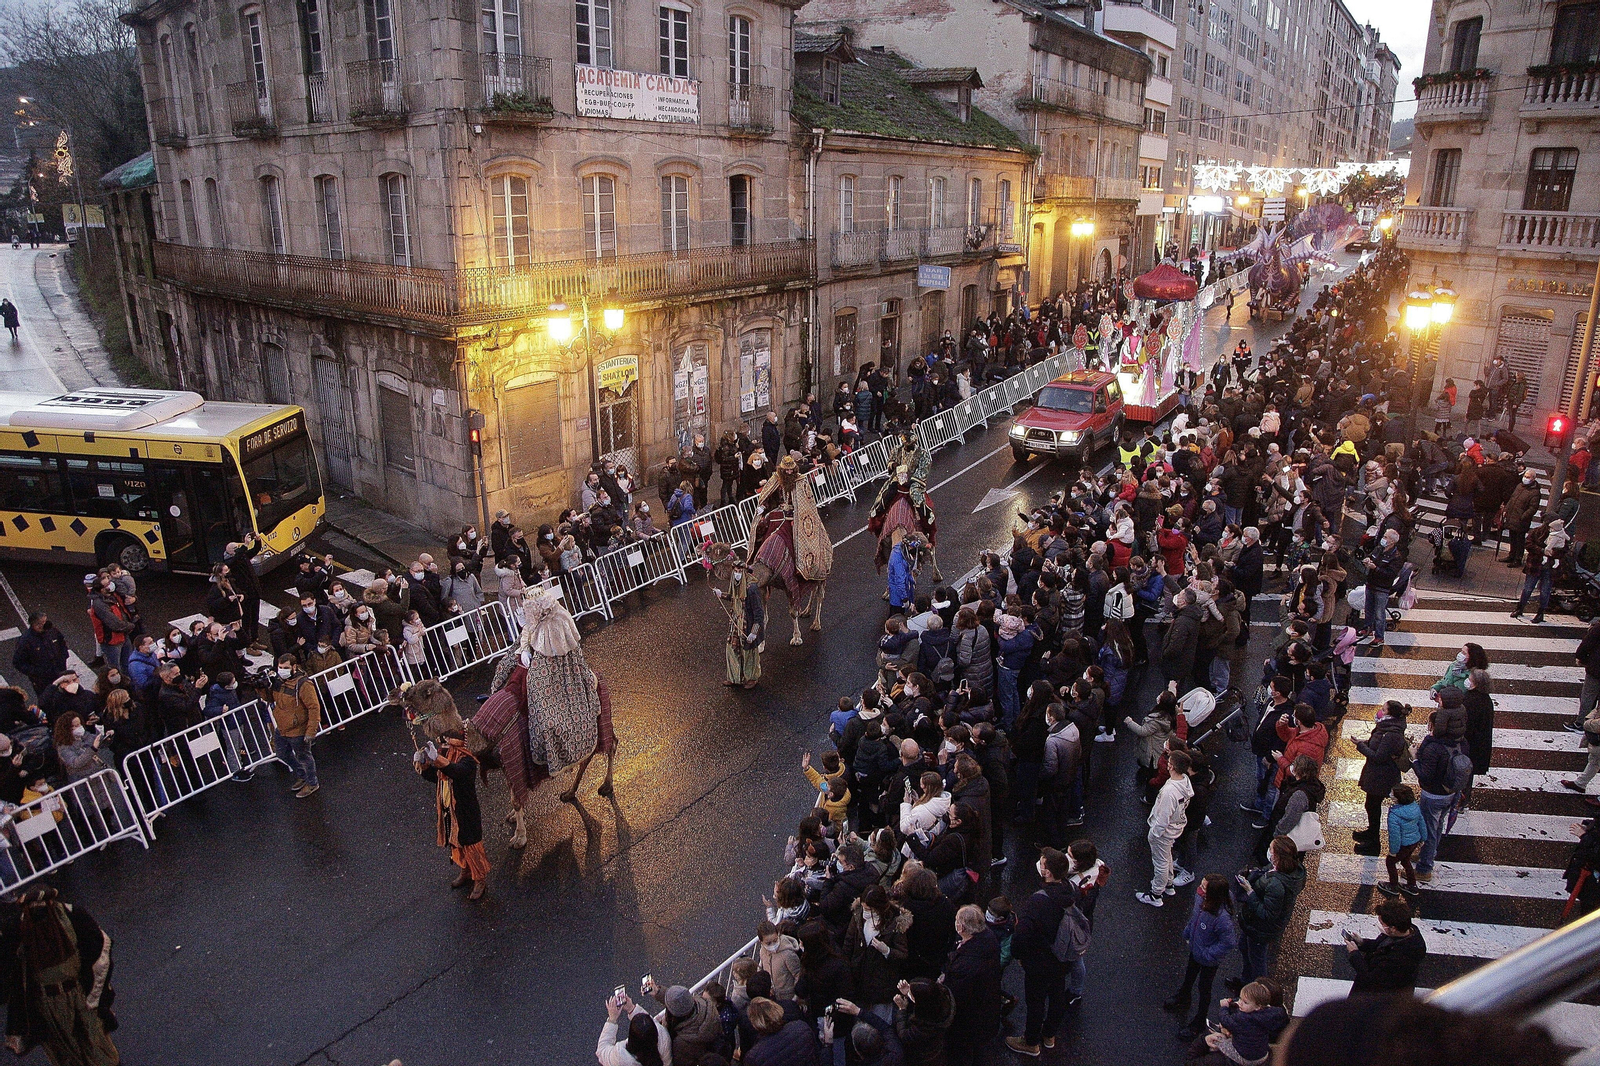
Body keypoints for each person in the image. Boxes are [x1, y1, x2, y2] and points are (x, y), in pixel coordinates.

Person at [0, 888, 119, 1065]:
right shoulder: (19, 928)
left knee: (97, 1047)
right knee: (64, 1053)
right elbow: (7, 967)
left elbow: (100, 953)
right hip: (46, 1004)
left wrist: (94, 997)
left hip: (79, 996)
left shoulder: (72, 916)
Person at [412, 693, 489, 900]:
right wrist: (424, 765)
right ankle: (465, 870)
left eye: (449, 738)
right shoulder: (446, 753)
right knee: (456, 842)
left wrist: (438, 760)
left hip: (465, 810)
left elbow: (455, 772)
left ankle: (479, 877)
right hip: (450, 809)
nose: (445, 740)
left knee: (471, 842)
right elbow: (438, 778)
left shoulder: (468, 759)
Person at [1006, 847, 1076, 1057]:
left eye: (1042, 863)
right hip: (1062, 956)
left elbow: (1022, 935)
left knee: (1035, 1001)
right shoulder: (1071, 889)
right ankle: (1049, 1035)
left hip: (1040, 961)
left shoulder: (1038, 900)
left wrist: (1018, 955)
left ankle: (1030, 1041)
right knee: (1057, 994)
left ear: (1048, 872)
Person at [1165, 874, 1239, 1040]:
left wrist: (1207, 954)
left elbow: (1228, 942)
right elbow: (1195, 917)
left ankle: (1199, 1023)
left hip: (1208, 959)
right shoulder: (1202, 899)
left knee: (1204, 988)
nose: (1200, 888)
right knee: (1189, 975)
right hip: (1196, 948)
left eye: (1204, 887)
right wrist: (1188, 931)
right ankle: (1183, 997)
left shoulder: (1222, 918)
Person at [1232, 836, 1305, 986]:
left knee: (1257, 961)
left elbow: (1267, 914)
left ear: (1276, 856)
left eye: (1271, 850)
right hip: (1254, 924)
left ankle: (1259, 993)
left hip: (1261, 928)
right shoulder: (1292, 869)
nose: (1269, 852)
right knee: (1245, 948)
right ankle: (1246, 982)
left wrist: (1250, 891)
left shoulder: (1277, 885)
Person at [941, 904, 1001, 1066]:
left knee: (963, 1053)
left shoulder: (966, 964)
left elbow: (955, 993)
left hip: (968, 1020)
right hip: (986, 1011)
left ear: (961, 927)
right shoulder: (988, 938)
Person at [1137, 749, 1194, 907]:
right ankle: (1168, 884)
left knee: (1160, 862)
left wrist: (1154, 833)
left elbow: (1163, 818)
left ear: (1172, 767)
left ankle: (1156, 894)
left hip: (1163, 832)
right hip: (1175, 828)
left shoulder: (1170, 792)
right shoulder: (1185, 781)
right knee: (1166, 856)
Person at [1184, 980, 1287, 1066]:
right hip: (1261, 1057)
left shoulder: (1243, 1019)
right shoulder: (1271, 1015)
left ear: (1258, 1006)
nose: (1239, 1002)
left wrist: (1204, 1040)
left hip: (1243, 1058)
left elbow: (1190, 1062)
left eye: (1245, 1002)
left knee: (1218, 1042)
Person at [1352, 701, 1409, 850]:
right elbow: (1375, 744)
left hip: (1382, 777)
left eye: (1383, 710)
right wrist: (1363, 742)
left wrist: (1360, 746)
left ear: (1390, 714)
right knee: (1371, 805)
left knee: (1373, 806)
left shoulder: (1391, 734)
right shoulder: (1385, 727)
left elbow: (1378, 756)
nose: (1380, 711)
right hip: (1376, 774)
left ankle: (1374, 843)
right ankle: (1371, 833)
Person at [1342, 897, 1427, 995]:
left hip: (1379, 999)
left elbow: (1371, 978)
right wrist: (1362, 943)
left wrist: (1354, 954)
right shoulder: (1402, 933)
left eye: (1382, 924)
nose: (1380, 926)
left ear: (1393, 928)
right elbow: (1380, 946)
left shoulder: (1401, 956)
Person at [269, 653, 321, 798]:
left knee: (304, 757)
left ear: (294, 667)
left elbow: (313, 707)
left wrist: (311, 730)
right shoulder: (279, 681)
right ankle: (302, 775)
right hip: (282, 727)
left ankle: (312, 783)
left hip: (298, 730)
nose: (282, 670)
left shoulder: (304, 684)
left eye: (285, 667)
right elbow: (270, 698)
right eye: (280, 667)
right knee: (281, 754)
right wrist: (261, 688)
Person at [716, 549, 764, 689]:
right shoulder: (735, 583)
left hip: (747, 623)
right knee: (732, 648)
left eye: (739, 571)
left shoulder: (751, 589)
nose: (736, 573)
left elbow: (758, 613)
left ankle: (751, 678)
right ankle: (734, 677)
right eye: (735, 570)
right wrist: (721, 595)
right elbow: (733, 597)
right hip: (735, 622)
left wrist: (754, 632)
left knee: (749, 652)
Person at [1511, 518, 1568, 623]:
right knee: (1528, 588)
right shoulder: (1537, 532)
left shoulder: (1560, 535)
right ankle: (1520, 608)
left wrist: (1552, 553)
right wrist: (1542, 551)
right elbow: (1528, 544)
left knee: (1545, 591)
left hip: (1549, 567)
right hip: (1535, 564)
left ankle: (1540, 613)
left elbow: (1564, 550)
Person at [597, 989, 670, 1066]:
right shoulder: (663, 1036)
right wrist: (631, 1008)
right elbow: (653, 1023)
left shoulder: (621, 1057)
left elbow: (602, 1051)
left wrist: (612, 1019)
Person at [1378, 784, 1425, 898]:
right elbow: (1422, 823)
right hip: (1413, 842)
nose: (1390, 795)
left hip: (1403, 845)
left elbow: (1395, 836)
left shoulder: (1394, 815)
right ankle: (1412, 885)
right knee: (1405, 861)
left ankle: (1393, 886)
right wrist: (1423, 837)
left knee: (1390, 862)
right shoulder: (1415, 807)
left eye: (1392, 794)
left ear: (1397, 798)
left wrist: (1393, 851)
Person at [11, 612, 68, 701]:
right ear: (36, 625)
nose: (46, 623)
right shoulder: (25, 641)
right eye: (43, 622)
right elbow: (18, 662)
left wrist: (63, 659)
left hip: (60, 672)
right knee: (48, 701)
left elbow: (62, 643)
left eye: (46, 620)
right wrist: (36, 672)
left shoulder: (52, 631)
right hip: (43, 681)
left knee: (65, 697)